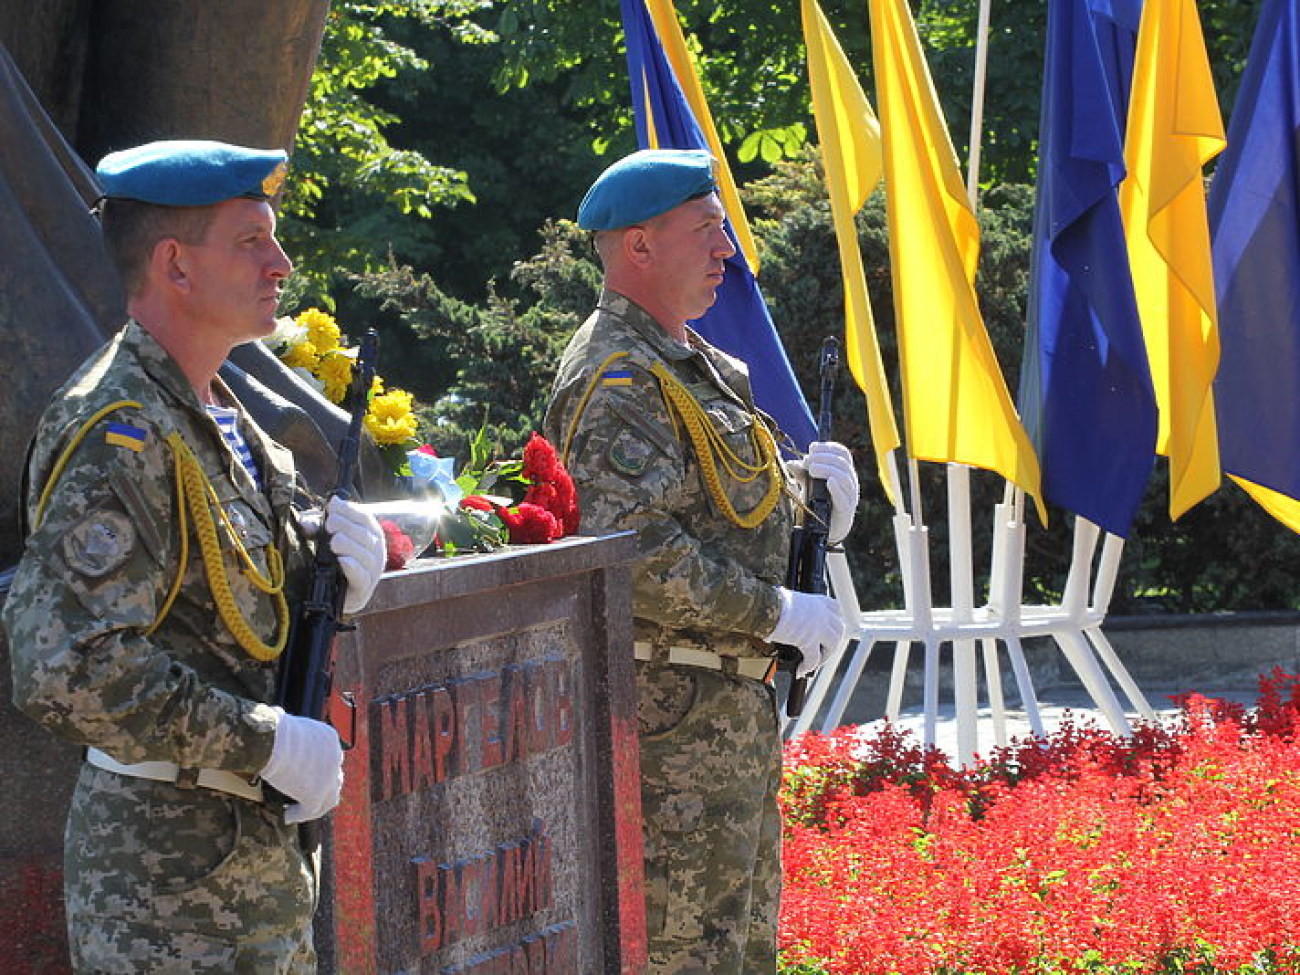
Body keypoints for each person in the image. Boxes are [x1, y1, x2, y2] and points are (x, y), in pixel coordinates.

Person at [1, 139, 387, 973]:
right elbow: (68, 665)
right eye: (252, 241)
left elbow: (228, 609)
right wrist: (264, 740)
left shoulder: (223, 418)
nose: (280, 263)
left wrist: (327, 576)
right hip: (164, 899)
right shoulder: (115, 429)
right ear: (175, 264)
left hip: (257, 879)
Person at [542, 147, 860, 974]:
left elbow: (718, 503)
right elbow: (634, 547)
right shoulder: (616, 374)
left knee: (740, 948)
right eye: (707, 230)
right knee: (682, 953)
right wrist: (777, 611)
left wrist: (810, 502)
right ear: (639, 247)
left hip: (723, 716)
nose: (727, 250)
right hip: (671, 726)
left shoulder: (695, 367)